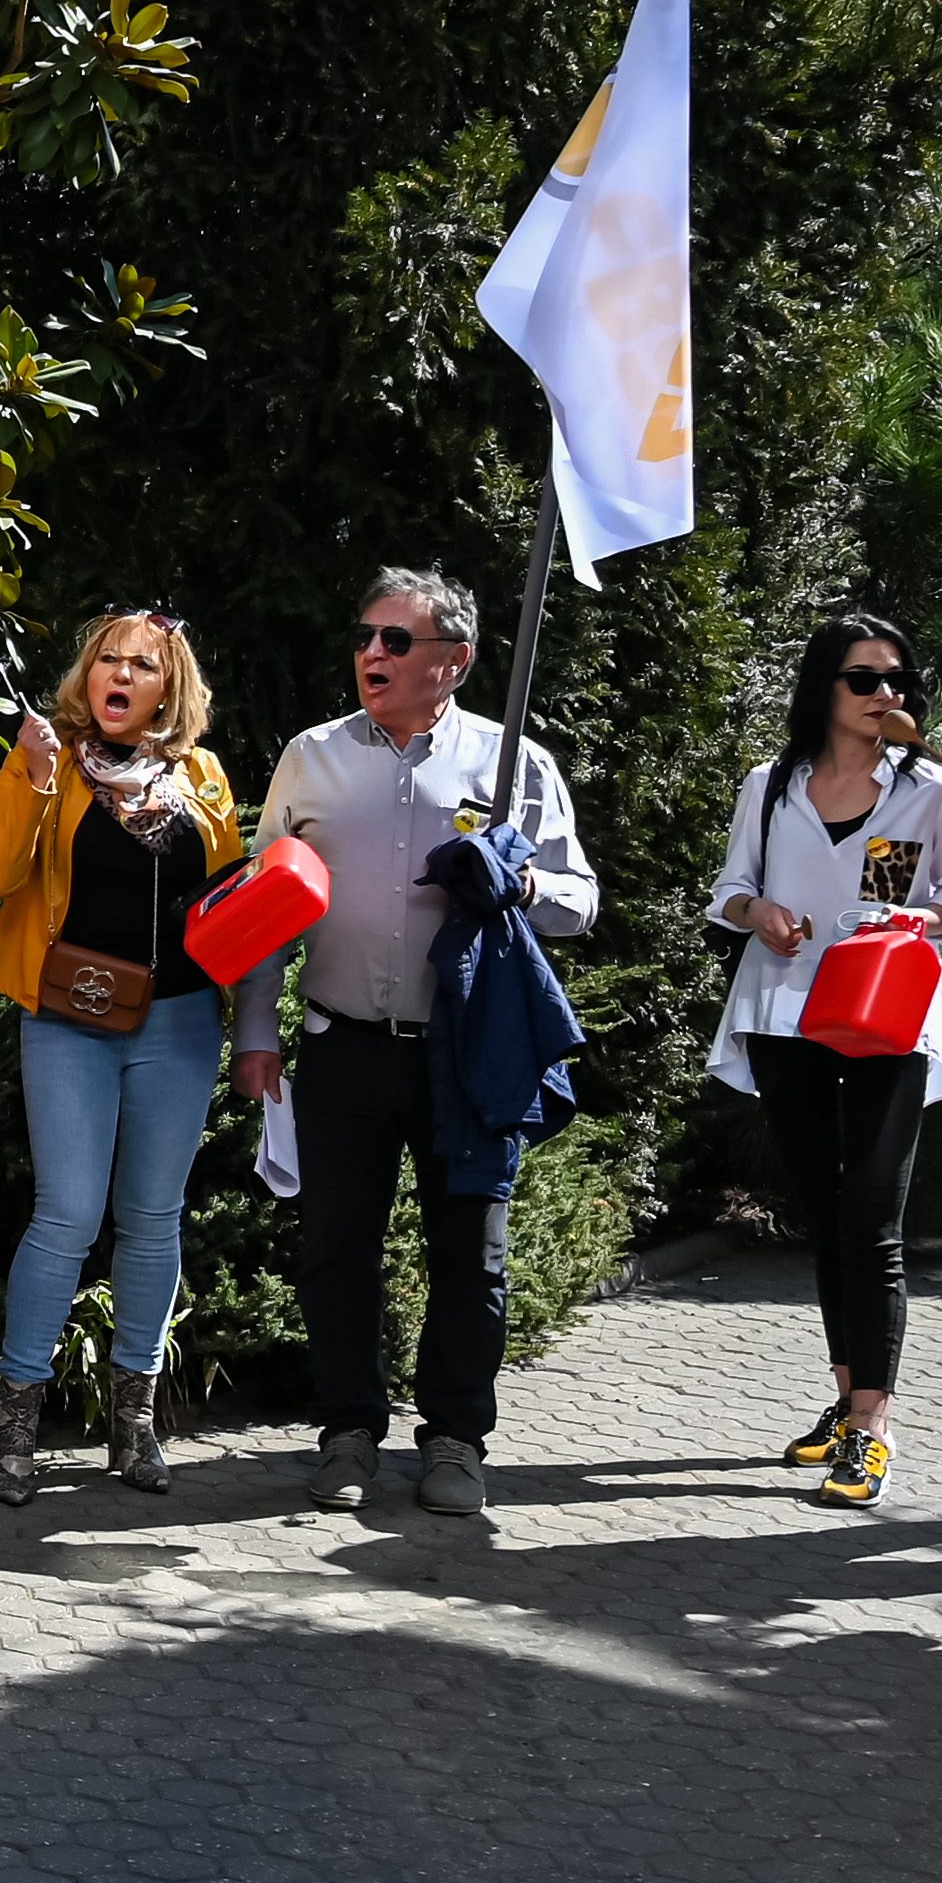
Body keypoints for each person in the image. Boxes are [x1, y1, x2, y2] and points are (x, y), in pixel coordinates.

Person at [233, 565, 601, 1521]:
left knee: (469, 1257)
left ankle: (454, 1440)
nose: (371, 654)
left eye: (397, 640)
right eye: (365, 635)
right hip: (342, 1044)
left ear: (456, 661)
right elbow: (268, 903)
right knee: (334, 1250)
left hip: (466, 1053)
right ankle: (349, 1432)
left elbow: (579, 900)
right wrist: (254, 1030)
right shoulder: (311, 757)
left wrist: (517, 885)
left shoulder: (516, 764)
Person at [696, 615, 942, 1510]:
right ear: (824, 687)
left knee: (871, 1217)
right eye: (864, 680)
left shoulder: (933, 791)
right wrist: (758, 914)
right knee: (824, 1215)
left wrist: (914, 921)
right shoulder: (771, 783)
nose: (885, 696)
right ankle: (843, 1394)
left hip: (885, 1015)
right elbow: (728, 888)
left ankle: (874, 1426)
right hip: (786, 1012)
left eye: (898, 680)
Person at [0, 608, 243, 1502]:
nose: (118, 677)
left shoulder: (200, 773)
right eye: (105, 661)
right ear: (87, 677)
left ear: (172, 686)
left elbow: (232, 897)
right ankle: (13, 1427)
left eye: (142, 666)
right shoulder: (48, 761)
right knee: (69, 1215)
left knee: (155, 1217)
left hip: (181, 1019)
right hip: (70, 1016)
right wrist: (35, 781)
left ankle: (134, 1425)